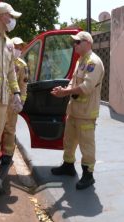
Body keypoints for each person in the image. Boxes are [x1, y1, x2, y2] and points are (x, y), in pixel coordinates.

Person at [50, 31, 104, 190]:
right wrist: (64, 88)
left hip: (86, 113)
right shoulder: (81, 61)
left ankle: (88, 175)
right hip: (74, 110)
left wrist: (65, 93)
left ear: (87, 42)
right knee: (69, 140)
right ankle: (68, 166)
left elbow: (86, 88)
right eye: (74, 42)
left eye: (78, 42)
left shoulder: (93, 62)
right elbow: (74, 83)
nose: (75, 45)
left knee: (86, 145)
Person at [0, 2, 22, 193]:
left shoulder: (9, 43)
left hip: (1, 99)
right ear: (1, 16)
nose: (11, 20)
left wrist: (16, 93)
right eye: (10, 16)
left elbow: (11, 73)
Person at [0, 37, 28, 165]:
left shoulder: (22, 65)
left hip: (12, 102)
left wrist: (21, 102)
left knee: (10, 129)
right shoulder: (2, 59)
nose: (18, 50)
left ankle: (8, 154)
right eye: (16, 47)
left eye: (20, 48)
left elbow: (23, 86)